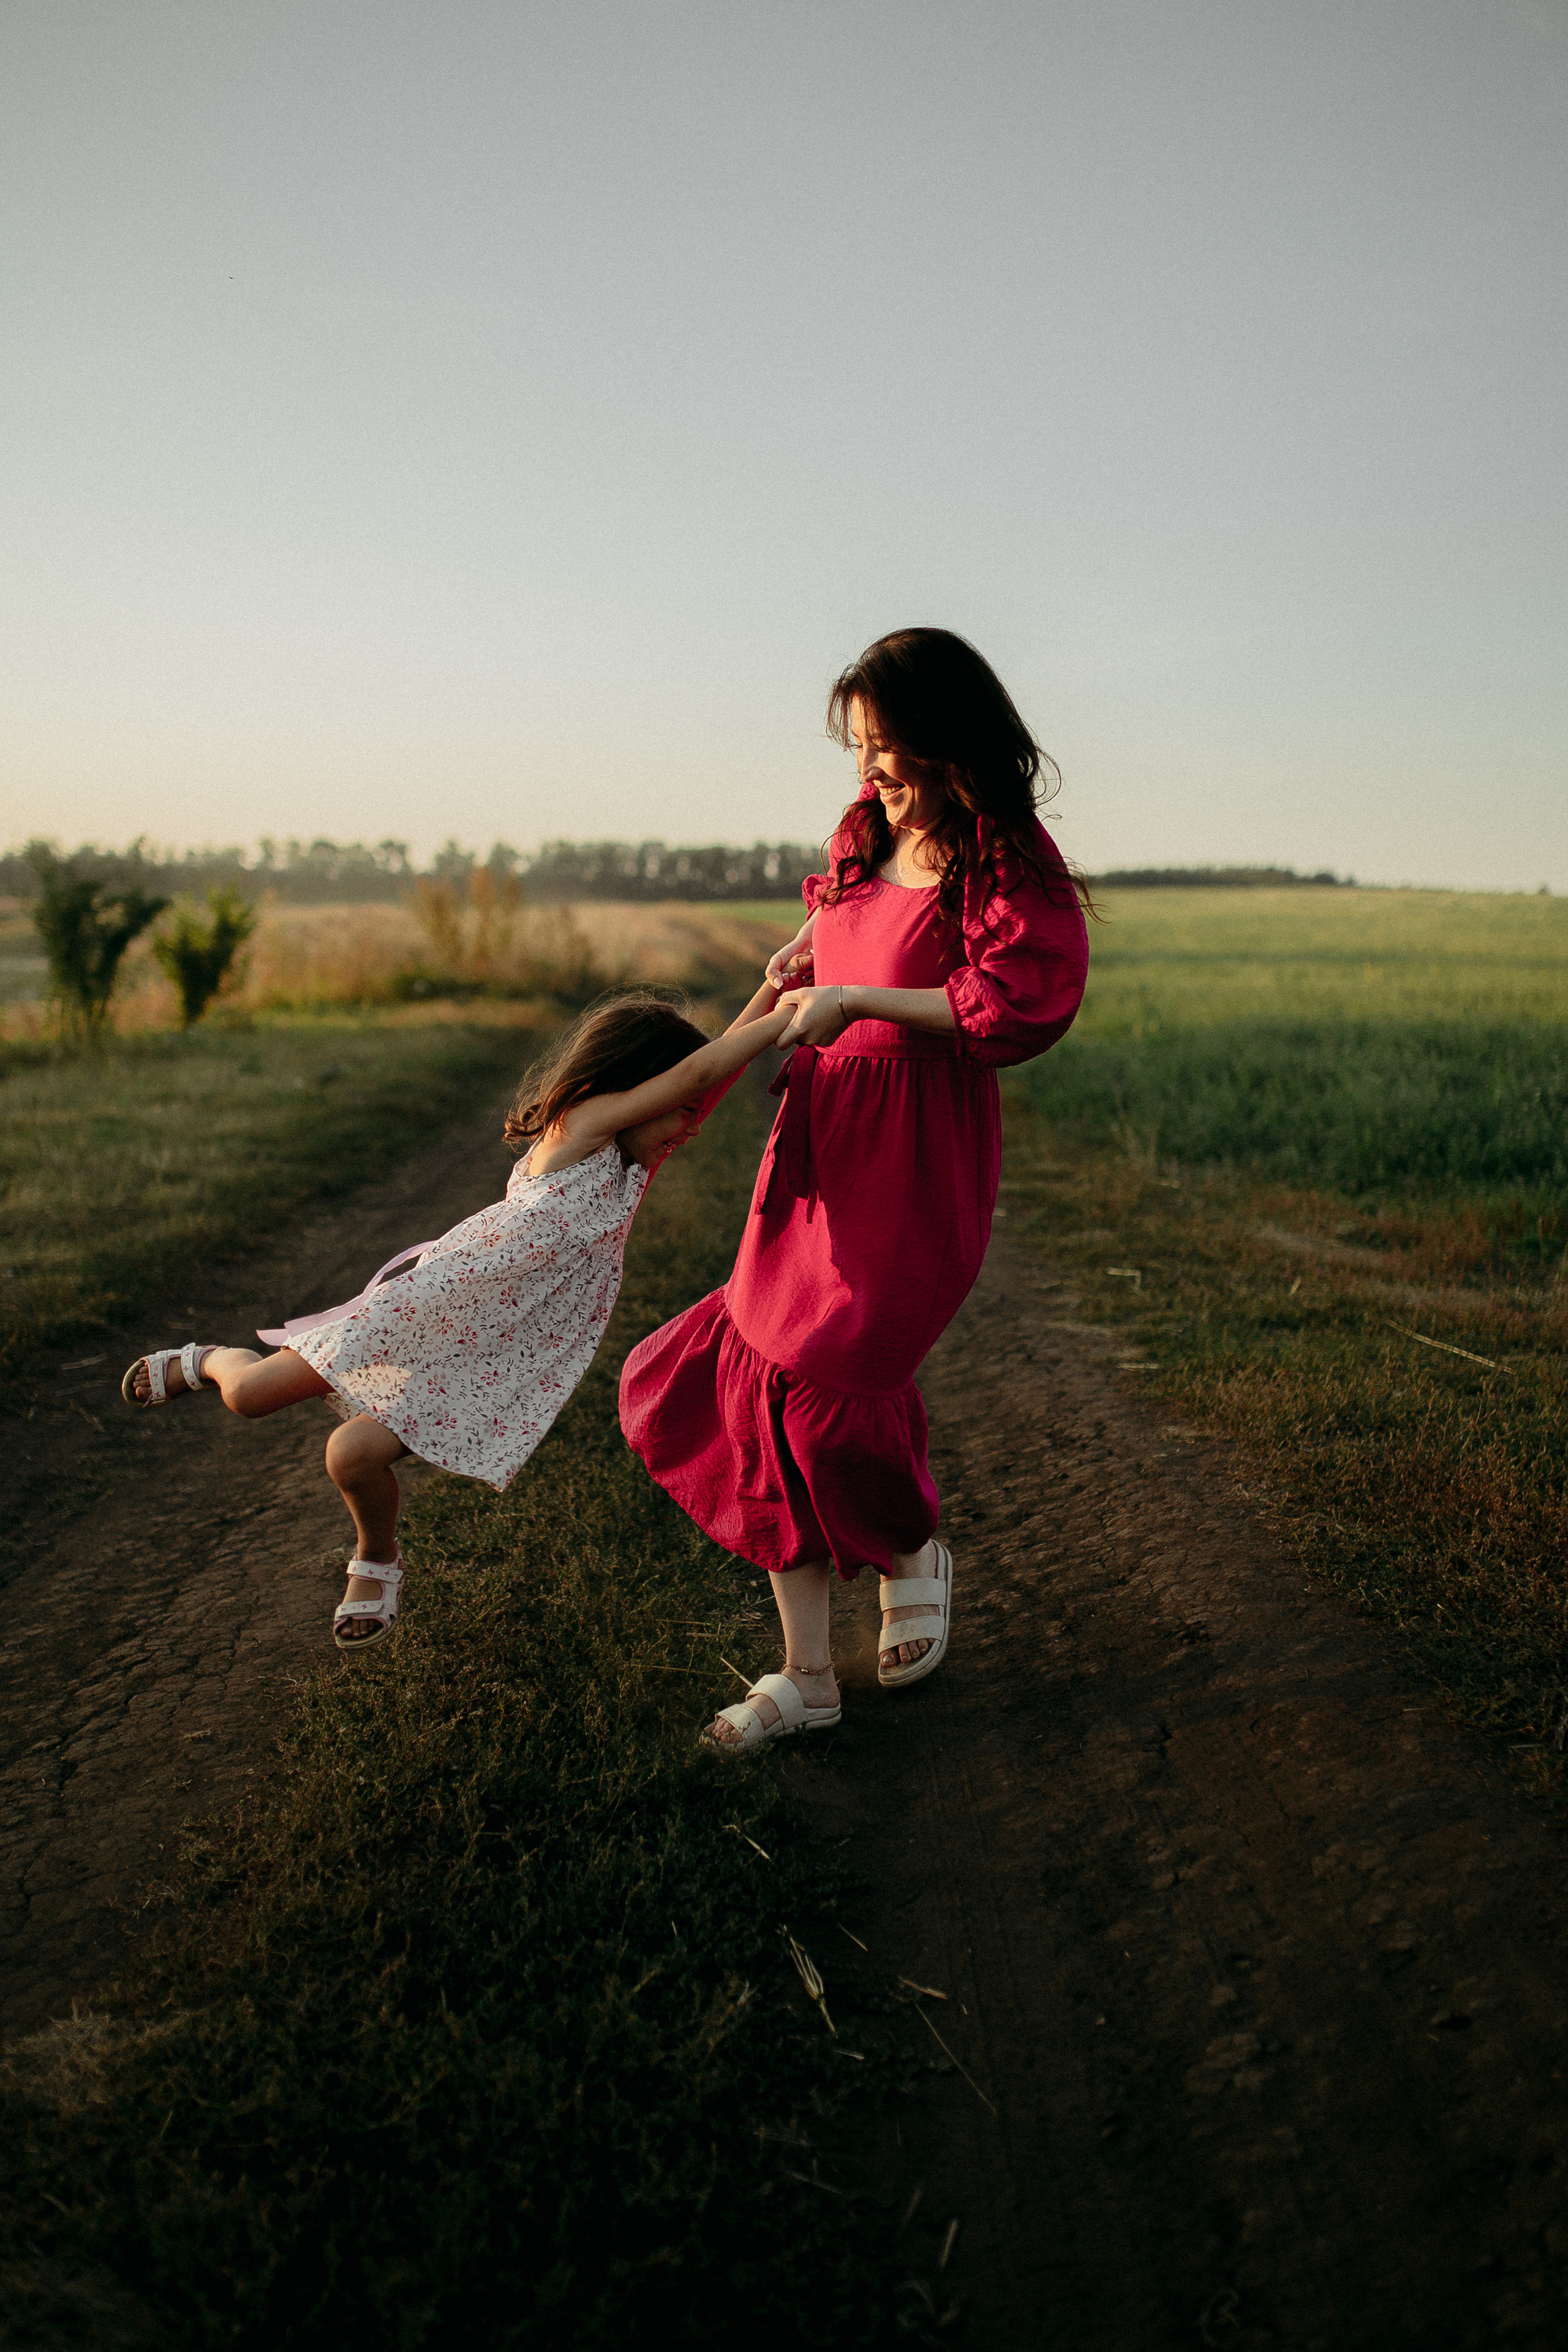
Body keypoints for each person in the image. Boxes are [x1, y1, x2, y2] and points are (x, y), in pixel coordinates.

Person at [619, 628, 1091, 1749]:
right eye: (861, 749)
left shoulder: (1007, 868)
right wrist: (803, 962)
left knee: (838, 1385)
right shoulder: (864, 835)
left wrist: (859, 1007)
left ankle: (911, 1543)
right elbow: (845, 924)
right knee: (767, 1383)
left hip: (917, 1153)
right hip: (820, 1138)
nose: (869, 771)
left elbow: (1013, 1008)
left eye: (887, 749)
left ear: (948, 742)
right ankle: (807, 1676)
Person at [121, 987, 793, 1649]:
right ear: (632, 1089)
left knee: (349, 1455)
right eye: (679, 1111)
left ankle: (378, 1560)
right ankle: (204, 1359)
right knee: (249, 1396)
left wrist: (775, 980)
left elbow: (708, 1077)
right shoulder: (583, 1129)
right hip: (427, 1310)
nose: (693, 1124)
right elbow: (702, 1072)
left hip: (493, 1350)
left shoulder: (631, 1163)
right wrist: (798, 1011)